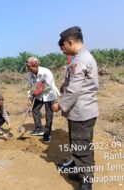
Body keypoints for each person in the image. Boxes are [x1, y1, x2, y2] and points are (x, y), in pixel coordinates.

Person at [52, 26, 99, 190]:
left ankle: (86, 181)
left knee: (81, 148)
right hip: (85, 112)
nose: (63, 51)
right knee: (83, 145)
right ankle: (82, 172)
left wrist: (60, 105)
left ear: (70, 42)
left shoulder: (80, 60)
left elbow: (74, 90)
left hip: (81, 113)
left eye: (64, 47)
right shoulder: (85, 57)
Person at [26, 56, 60, 143]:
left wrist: (37, 90)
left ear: (35, 66)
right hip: (39, 95)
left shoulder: (46, 72)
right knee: (35, 110)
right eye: (27, 67)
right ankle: (39, 128)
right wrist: (29, 97)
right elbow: (30, 87)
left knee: (49, 115)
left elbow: (49, 87)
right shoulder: (30, 74)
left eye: (30, 67)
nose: (28, 69)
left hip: (50, 95)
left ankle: (47, 134)